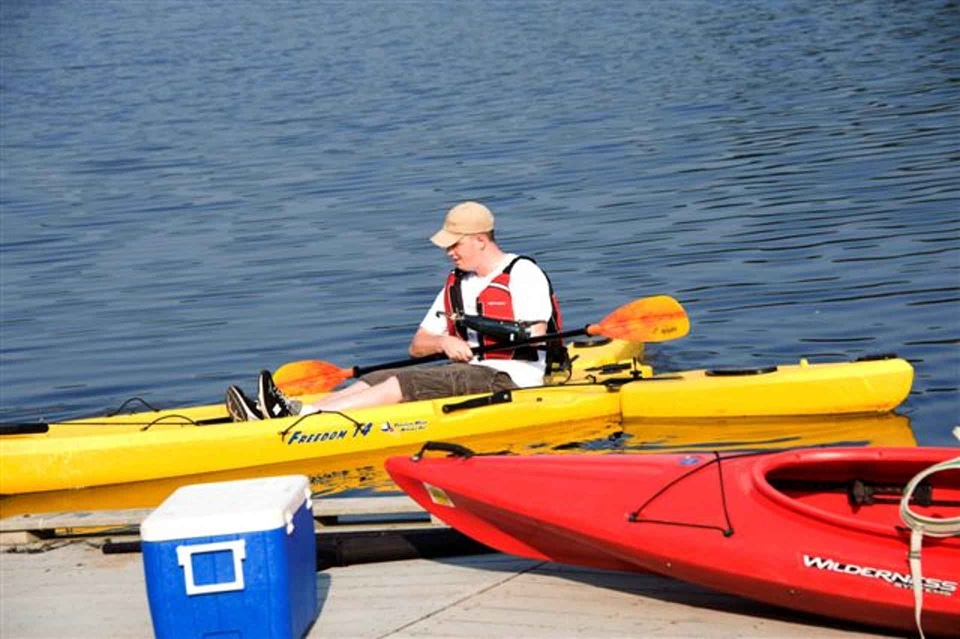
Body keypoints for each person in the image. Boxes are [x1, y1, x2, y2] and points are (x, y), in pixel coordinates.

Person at [225, 201, 563, 421]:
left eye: (454, 244)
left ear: (480, 239)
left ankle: (301, 420)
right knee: (372, 380)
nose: (449, 252)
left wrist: (476, 338)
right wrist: (443, 343)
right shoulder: (457, 283)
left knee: (401, 382)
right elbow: (417, 346)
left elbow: (534, 339)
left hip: (513, 379)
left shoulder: (522, 273)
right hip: (470, 373)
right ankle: (294, 409)